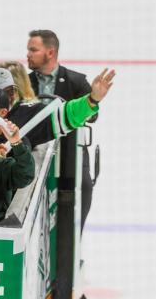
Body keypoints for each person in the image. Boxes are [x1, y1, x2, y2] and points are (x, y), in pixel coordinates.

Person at [26, 29, 102, 226]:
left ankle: (72, 243)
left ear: (50, 53)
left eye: (33, 50)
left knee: (84, 186)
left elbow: (93, 116)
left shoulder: (76, 82)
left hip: (69, 152)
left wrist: (93, 99)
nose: (28, 54)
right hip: (34, 152)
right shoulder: (24, 83)